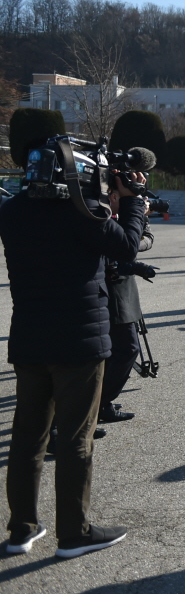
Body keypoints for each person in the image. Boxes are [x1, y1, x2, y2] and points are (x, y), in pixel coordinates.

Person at [1, 162, 147, 558]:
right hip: (79, 344)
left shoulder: (12, 210)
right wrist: (133, 201)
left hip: (30, 339)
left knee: (28, 437)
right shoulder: (83, 213)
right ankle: (74, 532)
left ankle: (21, 530)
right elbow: (127, 245)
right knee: (75, 439)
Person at [98, 189, 155, 425]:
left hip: (124, 288)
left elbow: (145, 240)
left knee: (114, 353)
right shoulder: (99, 215)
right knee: (127, 349)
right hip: (110, 290)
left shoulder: (126, 216)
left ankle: (101, 404)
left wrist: (140, 215)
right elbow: (122, 248)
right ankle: (97, 404)